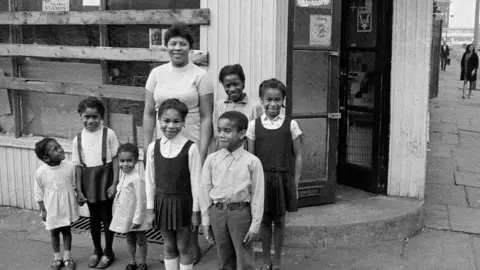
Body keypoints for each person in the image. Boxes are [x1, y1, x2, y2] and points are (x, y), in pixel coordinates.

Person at [143, 22, 214, 262]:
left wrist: (203, 150)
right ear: (166, 46)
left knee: (189, 196)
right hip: (165, 143)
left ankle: (189, 253)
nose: (177, 48)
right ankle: (180, 255)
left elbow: (206, 117)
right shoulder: (156, 74)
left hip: (191, 144)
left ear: (190, 48)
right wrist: (147, 144)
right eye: (173, 43)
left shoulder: (200, 76)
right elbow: (149, 113)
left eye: (183, 43)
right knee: (169, 194)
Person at [247, 78, 303, 270]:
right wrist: (251, 184)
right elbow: (251, 158)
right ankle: (265, 259)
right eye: (268, 99)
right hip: (262, 179)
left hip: (282, 179)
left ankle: (277, 260)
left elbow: (299, 155)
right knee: (263, 220)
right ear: (261, 100)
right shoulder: (254, 125)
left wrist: (295, 184)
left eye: (277, 99)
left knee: (279, 220)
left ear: (283, 100)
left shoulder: (291, 124)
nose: (273, 104)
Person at [200, 111, 265, 270]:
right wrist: (206, 220)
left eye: (227, 131)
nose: (221, 135)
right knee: (223, 256)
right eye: (219, 130)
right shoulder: (212, 160)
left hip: (241, 214)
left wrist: (255, 225)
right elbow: (205, 190)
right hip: (217, 212)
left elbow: (258, 195)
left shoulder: (252, 162)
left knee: (244, 257)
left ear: (242, 133)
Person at [145, 99, 202, 270]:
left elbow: (196, 182)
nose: (171, 126)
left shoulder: (190, 148)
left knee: (184, 246)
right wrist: (150, 209)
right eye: (166, 120)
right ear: (159, 120)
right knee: (168, 246)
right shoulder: (152, 147)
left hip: (183, 204)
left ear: (183, 122)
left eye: (176, 121)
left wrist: (195, 212)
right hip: (162, 203)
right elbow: (149, 179)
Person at [72, 97, 119, 269]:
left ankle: (108, 252)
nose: (90, 121)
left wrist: (115, 183)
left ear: (101, 117)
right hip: (88, 181)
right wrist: (79, 190)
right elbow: (77, 166)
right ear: (80, 116)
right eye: (86, 117)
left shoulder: (109, 134)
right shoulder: (77, 139)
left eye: (95, 117)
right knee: (93, 217)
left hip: (105, 178)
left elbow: (115, 160)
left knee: (107, 216)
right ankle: (97, 250)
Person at [34, 138, 79, 270]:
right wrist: (43, 210)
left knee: (66, 231)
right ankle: (57, 258)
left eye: (59, 146)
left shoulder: (70, 166)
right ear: (46, 158)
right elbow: (38, 192)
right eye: (55, 149)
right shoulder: (41, 172)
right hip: (51, 208)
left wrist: (79, 197)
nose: (60, 149)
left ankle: (67, 257)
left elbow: (76, 184)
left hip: (66, 206)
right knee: (54, 232)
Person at [110, 143, 150, 270]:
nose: (125, 164)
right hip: (126, 216)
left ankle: (142, 262)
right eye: (122, 161)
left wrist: (137, 220)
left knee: (141, 240)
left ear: (136, 160)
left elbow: (141, 200)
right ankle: (132, 261)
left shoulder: (137, 179)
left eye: (129, 161)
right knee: (129, 240)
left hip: (136, 217)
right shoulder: (124, 176)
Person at [213, 64, 263, 150]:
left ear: (243, 82)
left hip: (246, 154)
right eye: (227, 86)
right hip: (223, 153)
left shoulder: (255, 107)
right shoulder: (219, 105)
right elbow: (216, 133)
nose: (232, 89)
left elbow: (258, 136)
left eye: (236, 84)